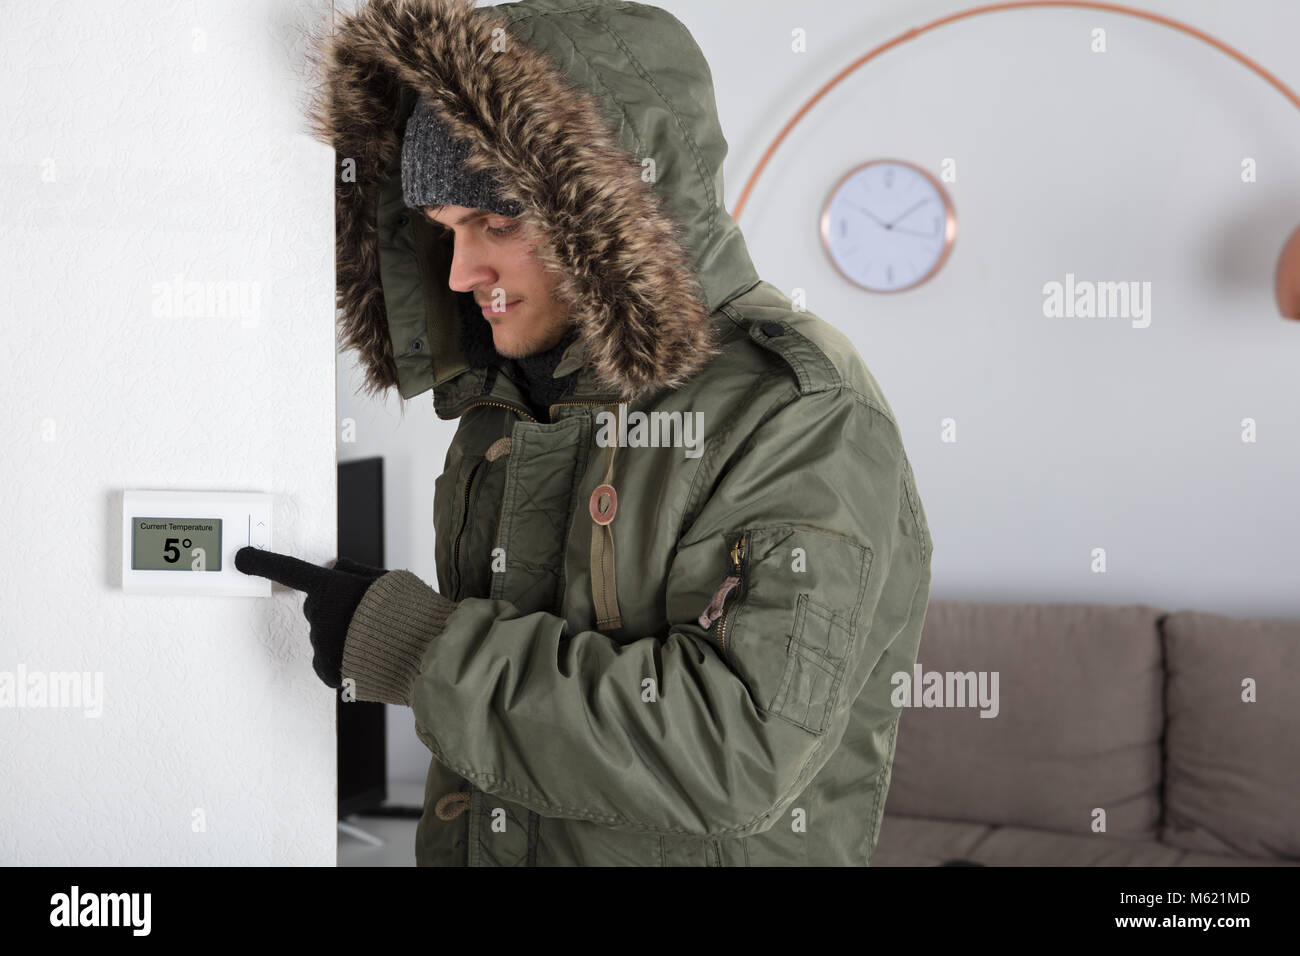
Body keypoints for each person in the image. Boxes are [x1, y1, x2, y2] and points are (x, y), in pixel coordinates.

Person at [236, 0, 934, 866]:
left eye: (498, 223)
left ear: (616, 211)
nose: (461, 272)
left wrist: (419, 649)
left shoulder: (797, 411)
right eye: (447, 229)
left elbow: (734, 754)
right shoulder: (508, 400)